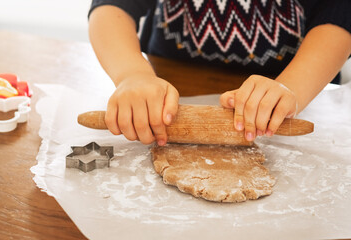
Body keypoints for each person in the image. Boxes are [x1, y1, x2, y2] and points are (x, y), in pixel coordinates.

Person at [88, 0, 351, 145]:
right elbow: (111, 7)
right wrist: (132, 74)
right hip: (168, 86)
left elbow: (339, 18)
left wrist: (292, 87)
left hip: (290, 91)